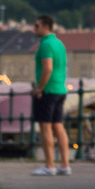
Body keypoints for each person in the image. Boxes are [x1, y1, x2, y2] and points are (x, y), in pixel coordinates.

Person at [31, 15, 71, 176]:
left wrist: (39, 89)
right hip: (60, 89)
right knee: (58, 126)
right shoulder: (59, 44)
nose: (34, 28)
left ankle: (49, 165)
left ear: (45, 26)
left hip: (48, 91)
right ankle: (65, 165)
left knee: (45, 127)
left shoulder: (46, 44)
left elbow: (47, 68)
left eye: (36, 25)